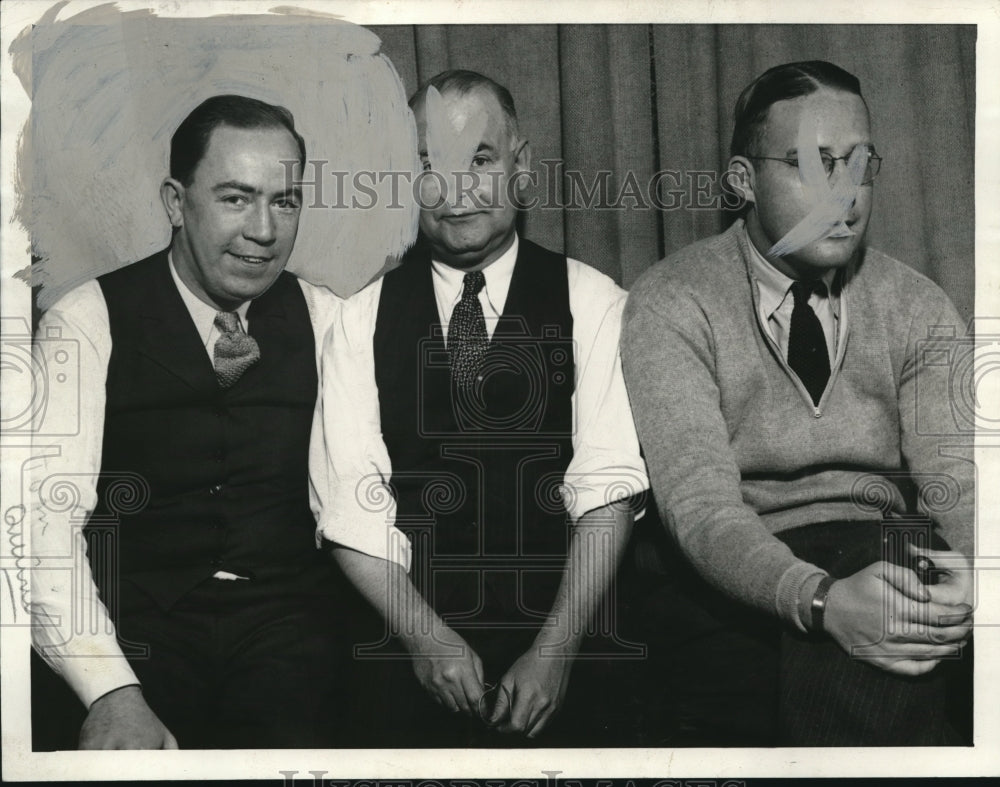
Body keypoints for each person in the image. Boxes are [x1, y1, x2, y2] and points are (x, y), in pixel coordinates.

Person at [621, 60, 974, 747]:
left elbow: (960, 481)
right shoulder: (673, 299)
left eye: (860, 162)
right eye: (814, 164)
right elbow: (701, 508)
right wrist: (823, 601)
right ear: (743, 181)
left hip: (882, 542)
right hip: (739, 571)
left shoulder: (915, 301)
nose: (847, 193)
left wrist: (981, 577)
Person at [312, 69, 648, 746]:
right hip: (408, 627)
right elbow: (349, 503)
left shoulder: (595, 301)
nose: (456, 189)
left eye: (481, 160)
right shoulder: (358, 318)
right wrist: (425, 638)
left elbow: (607, 489)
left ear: (521, 169)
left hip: (565, 628)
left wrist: (554, 652)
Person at [30, 95, 345, 749]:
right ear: (176, 202)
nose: (264, 229)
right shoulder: (87, 319)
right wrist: (110, 690)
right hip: (134, 628)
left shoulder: (328, 318)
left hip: (289, 632)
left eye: (284, 201)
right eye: (236, 198)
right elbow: (41, 522)